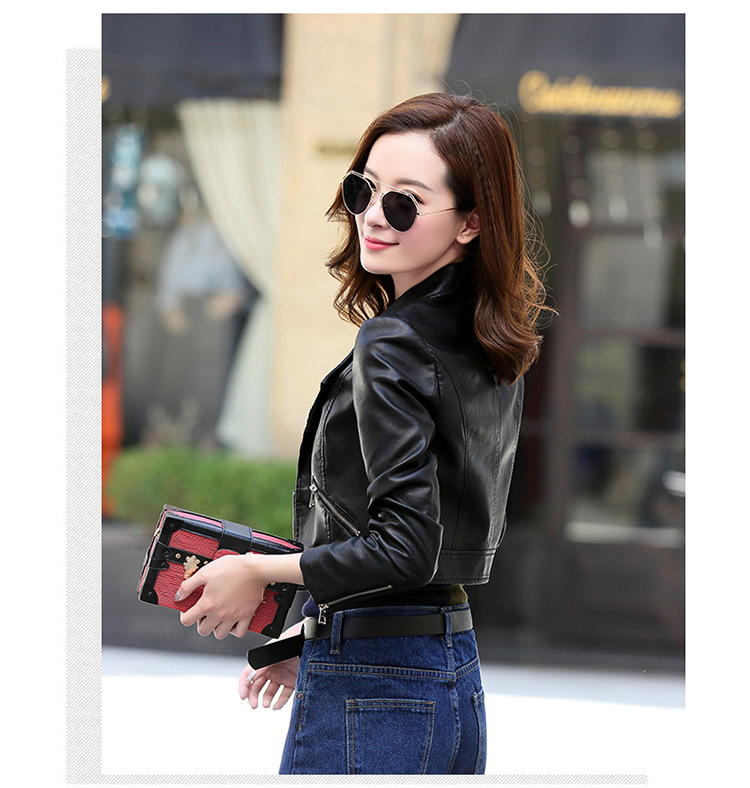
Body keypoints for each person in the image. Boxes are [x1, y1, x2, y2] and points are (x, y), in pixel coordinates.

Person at [175, 92, 551, 775]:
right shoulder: (490, 338)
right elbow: (431, 553)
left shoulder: (394, 341)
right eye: (363, 190)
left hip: (377, 683)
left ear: (470, 223)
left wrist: (256, 571)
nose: (374, 215)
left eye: (405, 202)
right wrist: (315, 626)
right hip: (447, 673)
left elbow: (405, 545)